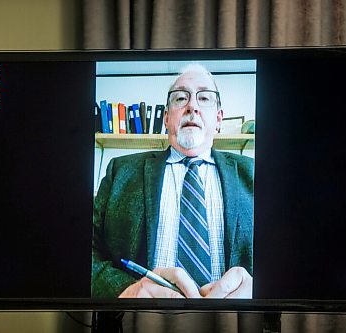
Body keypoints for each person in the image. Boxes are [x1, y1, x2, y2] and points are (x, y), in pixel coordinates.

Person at [92, 64, 253, 299]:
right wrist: (126, 290)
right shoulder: (121, 170)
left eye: (205, 98)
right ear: (166, 118)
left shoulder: (253, 172)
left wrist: (261, 290)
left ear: (219, 119)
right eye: (180, 98)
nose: (192, 106)